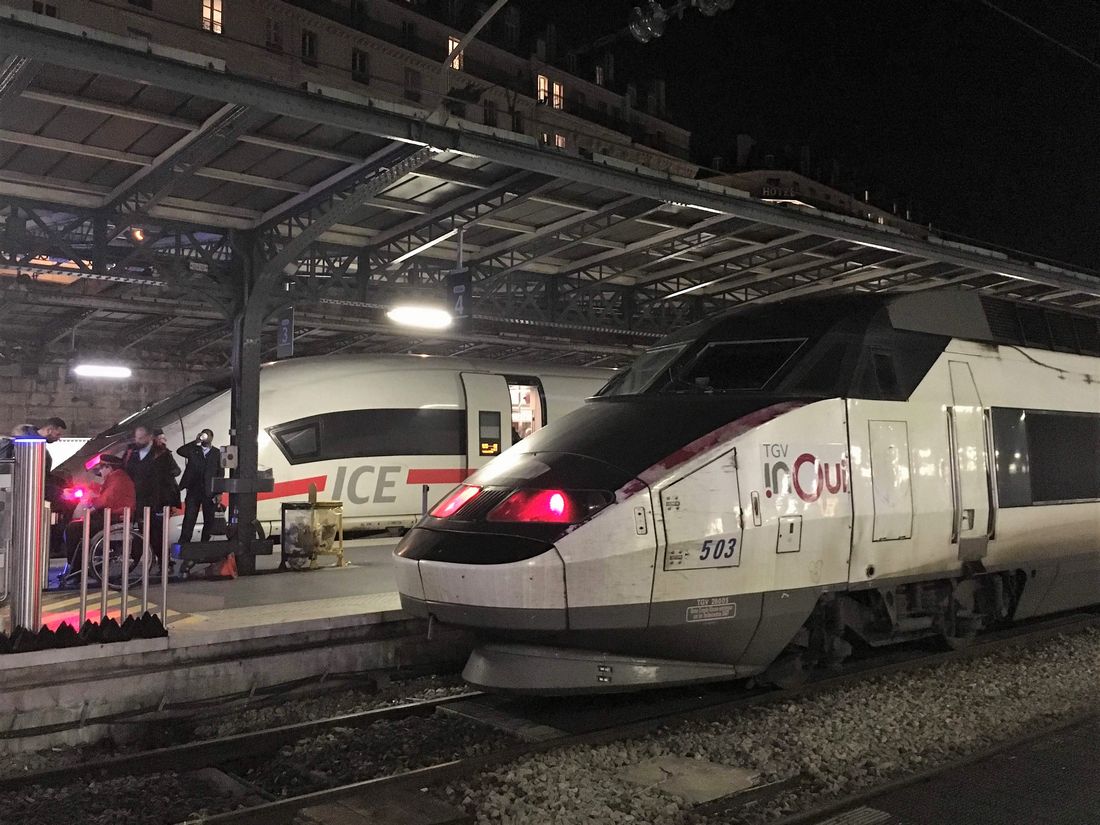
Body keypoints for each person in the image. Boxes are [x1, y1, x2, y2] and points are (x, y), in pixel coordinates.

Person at [63, 454, 136, 575]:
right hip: (112, 517)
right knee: (76, 527)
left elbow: (106, 499)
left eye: (102, 468)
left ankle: (76, 567)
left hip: (114, 519)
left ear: (109, 467)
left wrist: (91, 507)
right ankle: (77, 565)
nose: (100, 471)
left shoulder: (117, 478)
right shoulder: (116, 478)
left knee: (73, 529)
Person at [176, 429, 222, 544]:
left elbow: (220, 473)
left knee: (209, 520)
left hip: (209, 491)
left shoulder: (217, 453)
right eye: (203, 434)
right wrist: (195, 441)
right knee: (189, 519)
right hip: (193, 490)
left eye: (207, 435)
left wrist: (219, 492)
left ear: (212, 437)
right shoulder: (193, 450)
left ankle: (205, 545)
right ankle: (184, 544)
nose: (204, 437)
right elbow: (180, 451)